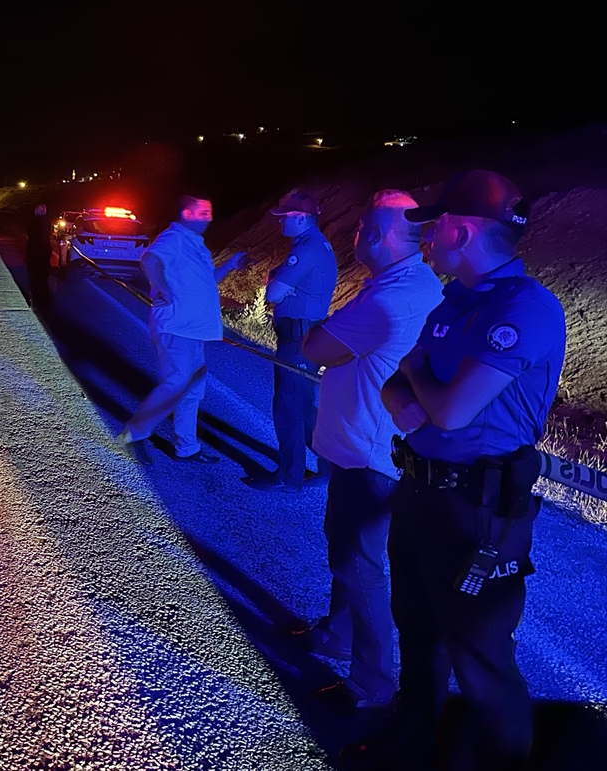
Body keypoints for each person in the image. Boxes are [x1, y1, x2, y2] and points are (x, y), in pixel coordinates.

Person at [346, 171, 566, 771]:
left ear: (462, 231)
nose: (427, 240)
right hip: (420, 491)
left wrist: (419, 382)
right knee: (417, 632)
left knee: (482, 655)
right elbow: (400, 387)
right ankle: (413, 744)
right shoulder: (455, 299)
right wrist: (420, 387)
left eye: (434, 227)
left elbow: (447, 409)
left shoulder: (525, 307)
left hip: (479, 514)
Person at [295, 190, 445, 711]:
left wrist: (320, 327)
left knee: (357, 562)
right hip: (370, 444)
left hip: (368, 451)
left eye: (360, 228)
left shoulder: (386, 299)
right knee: (351, 553)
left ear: (379, 238)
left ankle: (371, 681)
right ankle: (337, 636)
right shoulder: (415, 283)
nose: (354, 235)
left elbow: (315, 347)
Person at [116, 195, 252, 464]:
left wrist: (231, 264)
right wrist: (165, 292)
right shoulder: (174, 237)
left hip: (194, 331)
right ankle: (132, 435)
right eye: (204, 212)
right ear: (187, 214)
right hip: (176, 327)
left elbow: (208, 281)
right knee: (177, 382)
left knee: (193, 389)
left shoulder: (195, 244)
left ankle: (186, 447)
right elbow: (150, 260)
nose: (210, 218)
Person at [244, 190, 338, 492]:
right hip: (304, 336)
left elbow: (271, 294)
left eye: (284, 217)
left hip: (296, 339)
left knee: (289, 408)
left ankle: (289, 476)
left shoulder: (307, 249)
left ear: (300, 218)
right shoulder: (315, 245)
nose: (280, 222)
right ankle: (328, 468)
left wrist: (275, 281)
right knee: (306, 407)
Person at [24, 204, 53, 309]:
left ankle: (35, 299)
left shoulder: (32, 222)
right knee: (43, 276)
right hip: (45, 249)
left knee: (33, 276)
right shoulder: (48, 222)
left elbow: (29, 233)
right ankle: (45, 298)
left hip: (34, 250)